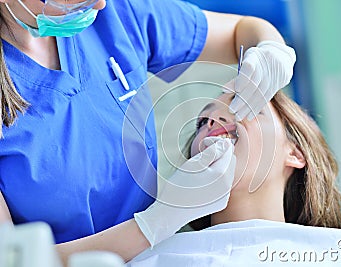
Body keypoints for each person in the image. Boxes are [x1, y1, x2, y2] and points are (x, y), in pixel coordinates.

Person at [0, 0, 296, 265]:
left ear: (296, 153)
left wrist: (271, 46)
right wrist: (154, 224)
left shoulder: (119, 14)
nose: (101, 5)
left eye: (244, 103)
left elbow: (243, 29)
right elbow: (10, 259)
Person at [129, 90, 341, 266]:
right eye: (202, 122)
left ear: (294, 153)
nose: (211, 119)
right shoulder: (147, 259)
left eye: (243, 106)